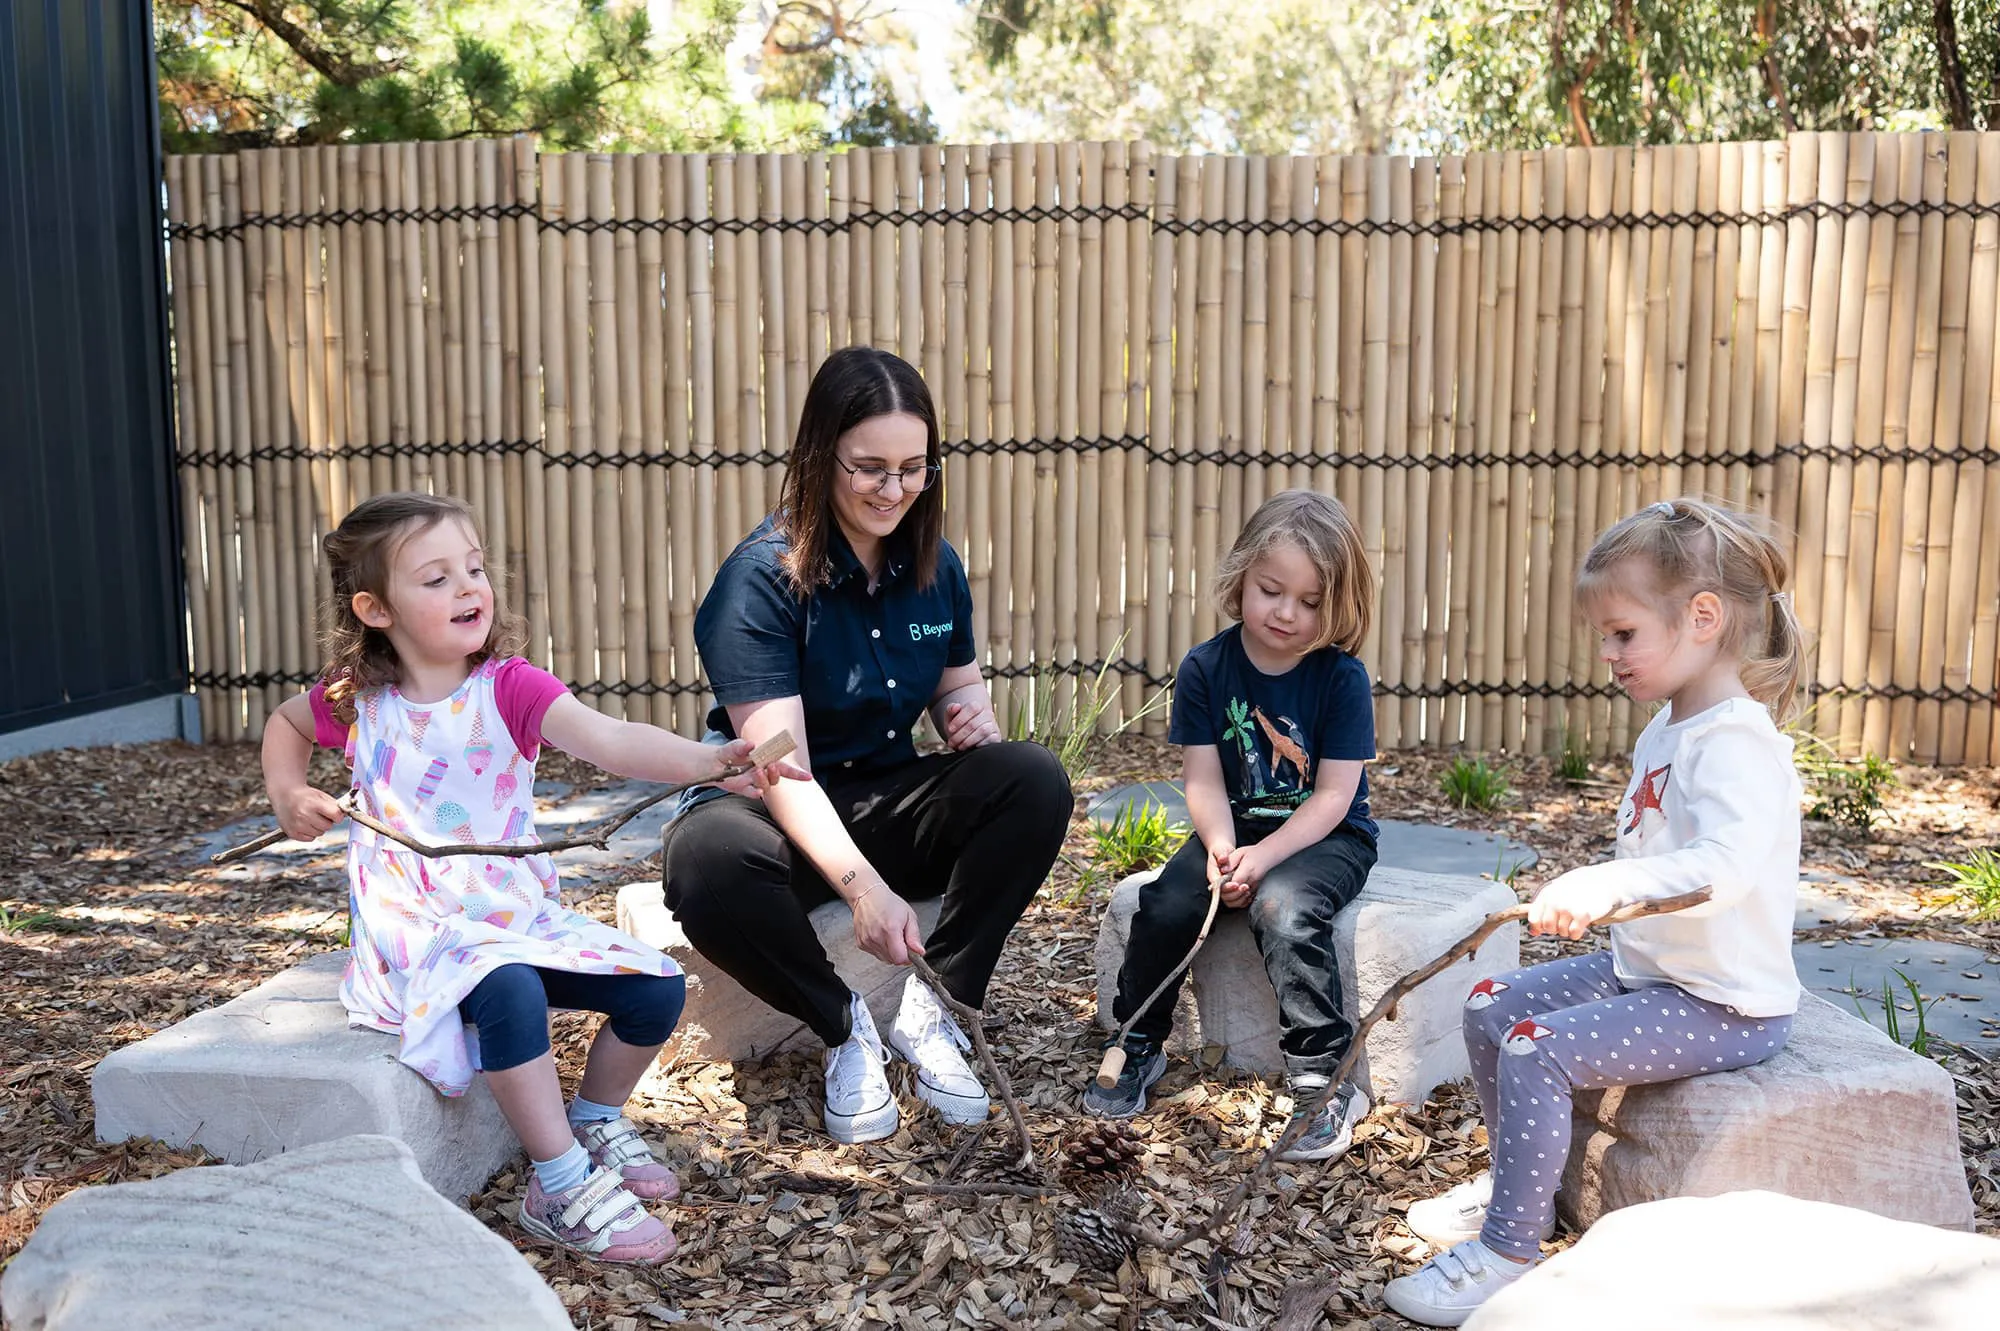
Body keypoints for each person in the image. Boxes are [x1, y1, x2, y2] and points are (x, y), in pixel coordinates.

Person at [260, 492, 803, 1266]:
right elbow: (284, 725)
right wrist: (287, 793)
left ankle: (592, 1114)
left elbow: (611, 739)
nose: (469, 587)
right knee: (509, 986)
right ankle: (556, 1181)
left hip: (506, 910)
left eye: (474, 568)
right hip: (413, 924)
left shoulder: (509, 687)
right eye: (438, 577)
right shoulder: (359, 699)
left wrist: (707, 761)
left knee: (653, 988)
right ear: (374, 607)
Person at [1383, 497, 1808, 1326]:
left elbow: (1725, 867)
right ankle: (1520, 1188)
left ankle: (1508, 1253)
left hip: (1722, 1002)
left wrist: (1609, 888)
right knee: (1490, 1005)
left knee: (1537, 1049)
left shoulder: (1737, 741)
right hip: (1649, 972)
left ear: (1702, 617)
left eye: (1622, 633)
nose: (1607, 653)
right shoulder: (1670, 726)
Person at [661, 346, 1074, 1145]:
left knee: (1032, 778)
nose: (894, 490)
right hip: (777, 807)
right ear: (821, 457)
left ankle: (936, 1008)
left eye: (914, 469)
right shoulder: (760, 579)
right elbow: (781, 764)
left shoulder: (934, 565)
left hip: (886, 790)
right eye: (871, 468)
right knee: (704, 861)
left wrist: (970, 720)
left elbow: (958, 684)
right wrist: (861, 888)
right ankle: (844, 1024)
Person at [1085, 489, 1381, 1163]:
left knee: (1284, 907)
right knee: (1165, 903)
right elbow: (1204, 779)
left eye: (1310, 602)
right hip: (1234, 826)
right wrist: (1222, 849)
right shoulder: (1206, 668)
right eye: (1272, 590)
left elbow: (1335, 796)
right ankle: (1136, 1041)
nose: (1287, 613)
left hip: (1325, 837)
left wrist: (1266, 856)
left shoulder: (1340, 680)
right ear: (1242, 575)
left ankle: (1322, 1074)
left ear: (1339, 604)